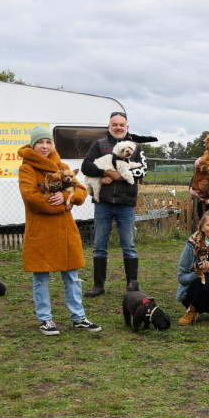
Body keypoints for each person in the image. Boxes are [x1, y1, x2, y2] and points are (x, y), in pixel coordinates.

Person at [19, 126, 100, 335]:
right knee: (40, 279)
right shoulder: (27, 169)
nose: (44, 146)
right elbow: (31, 198)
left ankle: (78, 317)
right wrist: (63, 206)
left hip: (65, 232)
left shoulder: (63, 166)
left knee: (72, 276)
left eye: (48, 142)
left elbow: (81, 191)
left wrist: (65, 197)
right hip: (40, 231)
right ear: (33, 145)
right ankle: (45, 319)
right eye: (40, 142)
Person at [80, 111, 146, 297]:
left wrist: (119, 177)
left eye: (121, 124)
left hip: (126, 202)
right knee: (99, 245)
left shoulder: (136, 147)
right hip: (104, 203)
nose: (118, 127)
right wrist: (106, 173)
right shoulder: (99, 145)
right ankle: (98, 286)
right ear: (109, 127)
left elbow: (143, 171)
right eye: (115, 124)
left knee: (129, 246)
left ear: (127, 127)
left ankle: (132, 286)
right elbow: (86, 167)